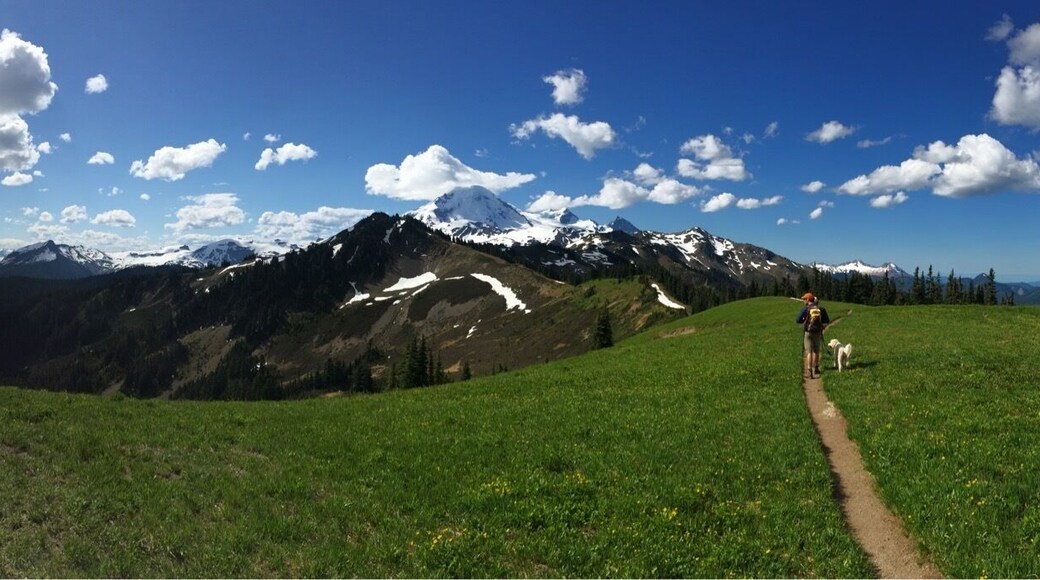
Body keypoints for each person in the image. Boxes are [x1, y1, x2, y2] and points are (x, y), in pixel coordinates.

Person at [795, 292, 830, 379]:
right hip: (818, 333)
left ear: (808, 300)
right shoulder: (820, 309)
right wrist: (822, 326)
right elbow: (827, 320)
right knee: (816, 351)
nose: (803, 301)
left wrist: (804, 320)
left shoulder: (805, 309)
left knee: (809, 352)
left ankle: (809, 371)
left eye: (804, 299)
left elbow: (797, 320)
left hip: (808, 333)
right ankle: (816, 368)